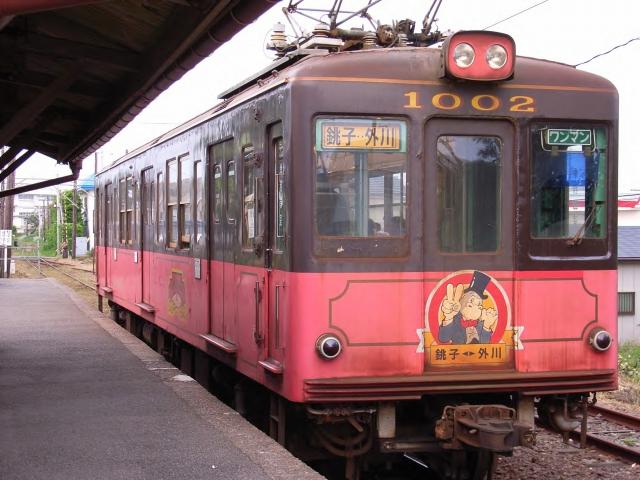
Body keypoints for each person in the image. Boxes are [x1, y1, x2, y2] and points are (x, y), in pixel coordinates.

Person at [438, 271, 498, 344]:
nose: (474, 307)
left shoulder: (481, 323)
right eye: (470, 302)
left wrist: (487, 326)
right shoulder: (455, 319)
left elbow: (485, 343)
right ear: (462, 300)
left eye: (479, 304)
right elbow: (443, 339)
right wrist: (448, 318)